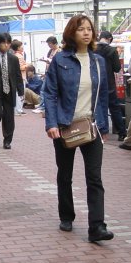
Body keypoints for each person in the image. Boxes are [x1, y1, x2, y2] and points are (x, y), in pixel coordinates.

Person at [44, 15, 112, 243]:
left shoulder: (99, 61)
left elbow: (103, 96)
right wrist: (51, 123)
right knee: (65, 174)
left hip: (91, 125)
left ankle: (97, 227)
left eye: (89, 29)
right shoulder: (60, 59)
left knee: (94, 177)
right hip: (65, 125)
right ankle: (66, 215)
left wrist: (104, 126)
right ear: (72, 33)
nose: (86, 33)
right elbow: (50, 93)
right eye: (81, 29)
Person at [95, 30, 127, 141]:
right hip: (109, 84)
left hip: (96, 83)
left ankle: (101, 130)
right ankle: (122, 132)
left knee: (98, 107)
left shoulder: (93, 49)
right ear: (109, 39)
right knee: (115, 108)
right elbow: (117, 68)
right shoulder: (112, 51)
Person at [33, 36, 61, 114]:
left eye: (50, 44)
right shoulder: (50, 51)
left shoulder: (59, 51)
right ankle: (42, 105)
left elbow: (57, 62)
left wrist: (48, 60)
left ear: (54, 43)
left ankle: (42, 106)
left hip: (54, 74)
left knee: (44, 90)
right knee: (44, 90)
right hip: (48, 72)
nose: (49, 45)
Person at [11, 40, 27, 115]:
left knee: (18, 93)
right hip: (21, 76)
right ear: (18, 47)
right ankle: (18, 110)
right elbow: (20, 67)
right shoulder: (19, 56)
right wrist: (27, 66)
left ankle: (17, 109)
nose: (22, 47)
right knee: (20, 93)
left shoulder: (15, 55)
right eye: (21, 46)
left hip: (18, 77)